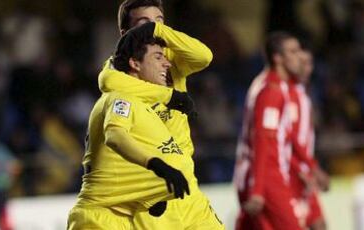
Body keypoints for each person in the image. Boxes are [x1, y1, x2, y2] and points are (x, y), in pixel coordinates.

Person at [97, 0, 224, 229]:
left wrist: (156, 30)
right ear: (125, 33)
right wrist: (168, 97)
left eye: (159, 21)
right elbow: (107, 81)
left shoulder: (171, 61)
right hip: (154, 196)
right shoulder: (119, 79)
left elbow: (204, 56)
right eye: (143, 24)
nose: (153, 29)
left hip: (189, 190)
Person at [67, 28, 195, 229]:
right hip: (100, 218)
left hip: (122, 218)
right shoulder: (121, 98)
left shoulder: (143, 105)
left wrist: (154, 197)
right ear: (135, 63)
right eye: (158, 57)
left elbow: (123, 163)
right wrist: (157, 166)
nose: (167, 63)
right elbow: (115, 135)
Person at [233, 31, 305, 230]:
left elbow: (283, 136)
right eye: (293, 51)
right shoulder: (271, 91)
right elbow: (263, 140)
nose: (300, 56)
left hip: (260, 173)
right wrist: (258, 189)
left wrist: (308, 166)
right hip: (266, 175)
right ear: (277, 58)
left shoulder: (275, 86)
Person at [288, 47, 329, 230]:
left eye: (309, 63)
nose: (307, 68)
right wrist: (312, 168)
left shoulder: (303, 94)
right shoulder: (285, 95)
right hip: (290, 175)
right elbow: (285, 142)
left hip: (305, 172)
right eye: (301, 63)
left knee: (320, 225)